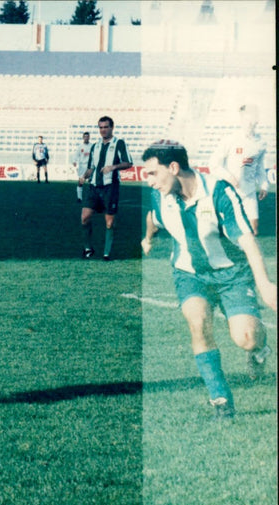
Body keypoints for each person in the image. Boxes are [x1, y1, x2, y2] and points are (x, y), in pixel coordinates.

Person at [140, 140, 275, 420]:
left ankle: (260, 350)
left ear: (174, 167)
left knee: (247, 338)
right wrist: (148, 237)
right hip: (190, 274)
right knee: (198, 323)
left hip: (231, 275)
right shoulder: (161, 196)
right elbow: (153, 218)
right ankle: (220, 399)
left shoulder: (218, 191)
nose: (148, 181)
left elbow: (247, 240)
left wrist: (264, 284)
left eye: (153, 173)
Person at [209, 104, 269, 235]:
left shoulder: (260, 143)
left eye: (251, 120)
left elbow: (260, 168)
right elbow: (213, 164)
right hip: (230, 190)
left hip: (249, 192)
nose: (248, 123)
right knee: (227, 230)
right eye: (245, 120)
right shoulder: (230, 140)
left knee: (254, 230)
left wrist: (264, 185)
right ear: (241, 120)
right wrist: (229, 177)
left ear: (256, 120)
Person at [80, 116, 132, 260]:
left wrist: (113, 166)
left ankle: (106, 253)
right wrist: (84, 176)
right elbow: (91, 167)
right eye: (100, 127)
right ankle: (88, 248)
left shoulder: (119, 143)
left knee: (109, 222)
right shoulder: (95, 146)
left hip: (110, 187)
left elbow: (128, 163)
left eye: (105, 127)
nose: (103, 130)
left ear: (112, 127)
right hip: (93, 187)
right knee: (85, 217)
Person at [73, 131, 92, 203]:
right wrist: (74, 161)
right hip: (82, 166)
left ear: (89, 137)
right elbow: (76, 155)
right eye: (85, 137)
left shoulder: (92, 146)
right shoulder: (80, 147)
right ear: (83, 137)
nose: (86, 138)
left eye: (88, 137)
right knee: (80, 182)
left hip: (90, 166)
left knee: (92, 183)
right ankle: (79, 198)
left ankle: (91, 197)